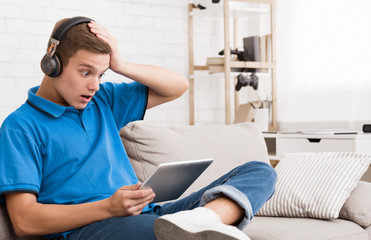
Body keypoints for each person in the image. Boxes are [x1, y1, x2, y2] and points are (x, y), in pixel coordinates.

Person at [0, 16, 277, 240]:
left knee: (258, 171)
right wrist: (108, 207)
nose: (94, 85)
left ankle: (199, 221)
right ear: (52, 63)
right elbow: (24, 221)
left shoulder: (102, 101)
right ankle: (192, 229)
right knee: (159, 232)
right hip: (93, 228)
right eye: (85, 72)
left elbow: (177, 86)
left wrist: (121, 64)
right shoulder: (20, 127)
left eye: (101, 74)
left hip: (150, 214)